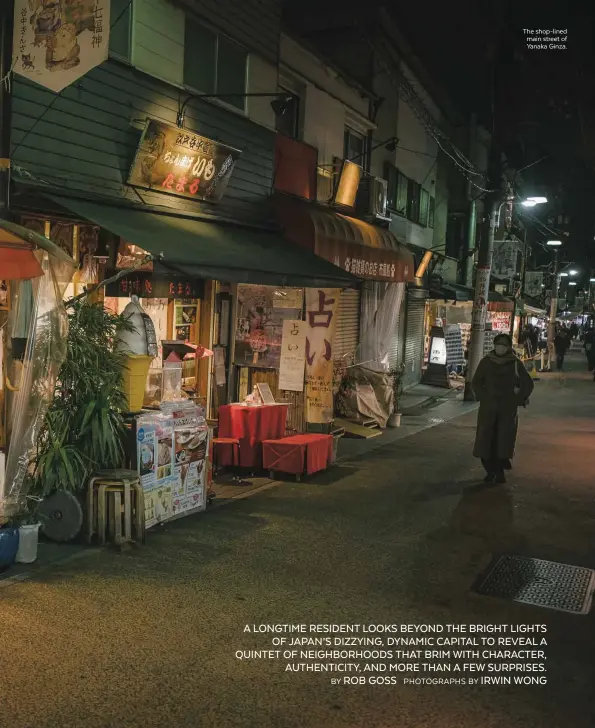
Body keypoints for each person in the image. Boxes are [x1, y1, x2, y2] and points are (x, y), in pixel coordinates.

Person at [472, 333, 534, 484]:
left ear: (508, 347)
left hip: (506, 410)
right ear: (494, 345)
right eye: (498, 344)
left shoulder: (514, 363)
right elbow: (476, 382)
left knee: (502, 443)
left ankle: (498, 472)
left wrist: (517, 400)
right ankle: (490, 472)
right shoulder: (486, 362)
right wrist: (483, 397)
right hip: (488, 410)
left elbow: (528, 384)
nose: (500, 347)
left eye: (503, 344)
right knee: (485, 443)